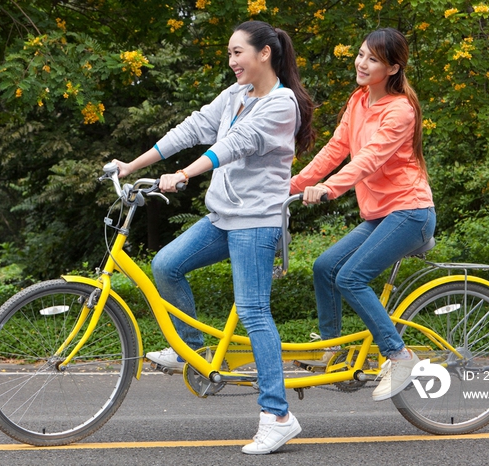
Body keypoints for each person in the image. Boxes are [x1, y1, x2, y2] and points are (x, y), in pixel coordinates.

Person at [114, 20, 315, 454]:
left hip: (257, 223)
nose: (231, 62)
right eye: (229, 54)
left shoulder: (282, 105)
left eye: (237, 53)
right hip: (223, 218)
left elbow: (235, 145)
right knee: (166, 265)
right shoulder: (236, 96)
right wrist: (133, 165)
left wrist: (184, 174)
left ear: (264, 53)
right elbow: (192, 128)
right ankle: (196, 352)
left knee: (253, 311)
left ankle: (278, 415)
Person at [290, 27, 435, 402]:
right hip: (380, 215)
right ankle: (333, 348)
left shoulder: (400, 110)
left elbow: (370, 159)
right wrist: (292, 185)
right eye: (360, 55)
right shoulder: (358, 101)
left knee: (351, 277)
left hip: (411, 212)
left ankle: (399, 354)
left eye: (373, 59)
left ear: (392, 68)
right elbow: (336, 148)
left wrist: (330, 188)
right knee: (325, 267)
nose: (362, 63)